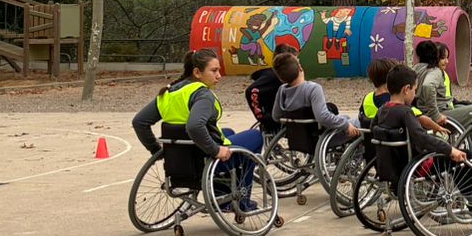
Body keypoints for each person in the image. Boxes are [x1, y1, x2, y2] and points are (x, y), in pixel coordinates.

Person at [130, 49, 263, 161]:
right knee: (255, 135)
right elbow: (194, 126)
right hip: (202, 158)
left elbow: (139, 122)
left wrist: (156, 150)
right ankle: (241, 183)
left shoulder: (168, 93)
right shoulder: (202, 95)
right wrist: (216, 150)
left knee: (228, 132)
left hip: (179, 159)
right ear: (197, 73)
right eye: (214, 71)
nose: (219, 76)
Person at [369, 62, 469, 167]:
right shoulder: (406, 112)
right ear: (406, 89)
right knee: (466, 155)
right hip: (418, 165)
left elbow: (373, 129)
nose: (415, 94)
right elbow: (422, 139)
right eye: (414, 90)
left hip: (389, 165)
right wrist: (450, 150)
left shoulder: (381, 110)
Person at [271, 51, 358, 136]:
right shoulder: (313, 89)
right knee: (355, 122)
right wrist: (346, 125)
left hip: (296, 136)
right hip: (317, 134)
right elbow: (323, 117)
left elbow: (276, 116)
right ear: (300, 68)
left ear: (281, 78)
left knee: (344, 117)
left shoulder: (282, 90)